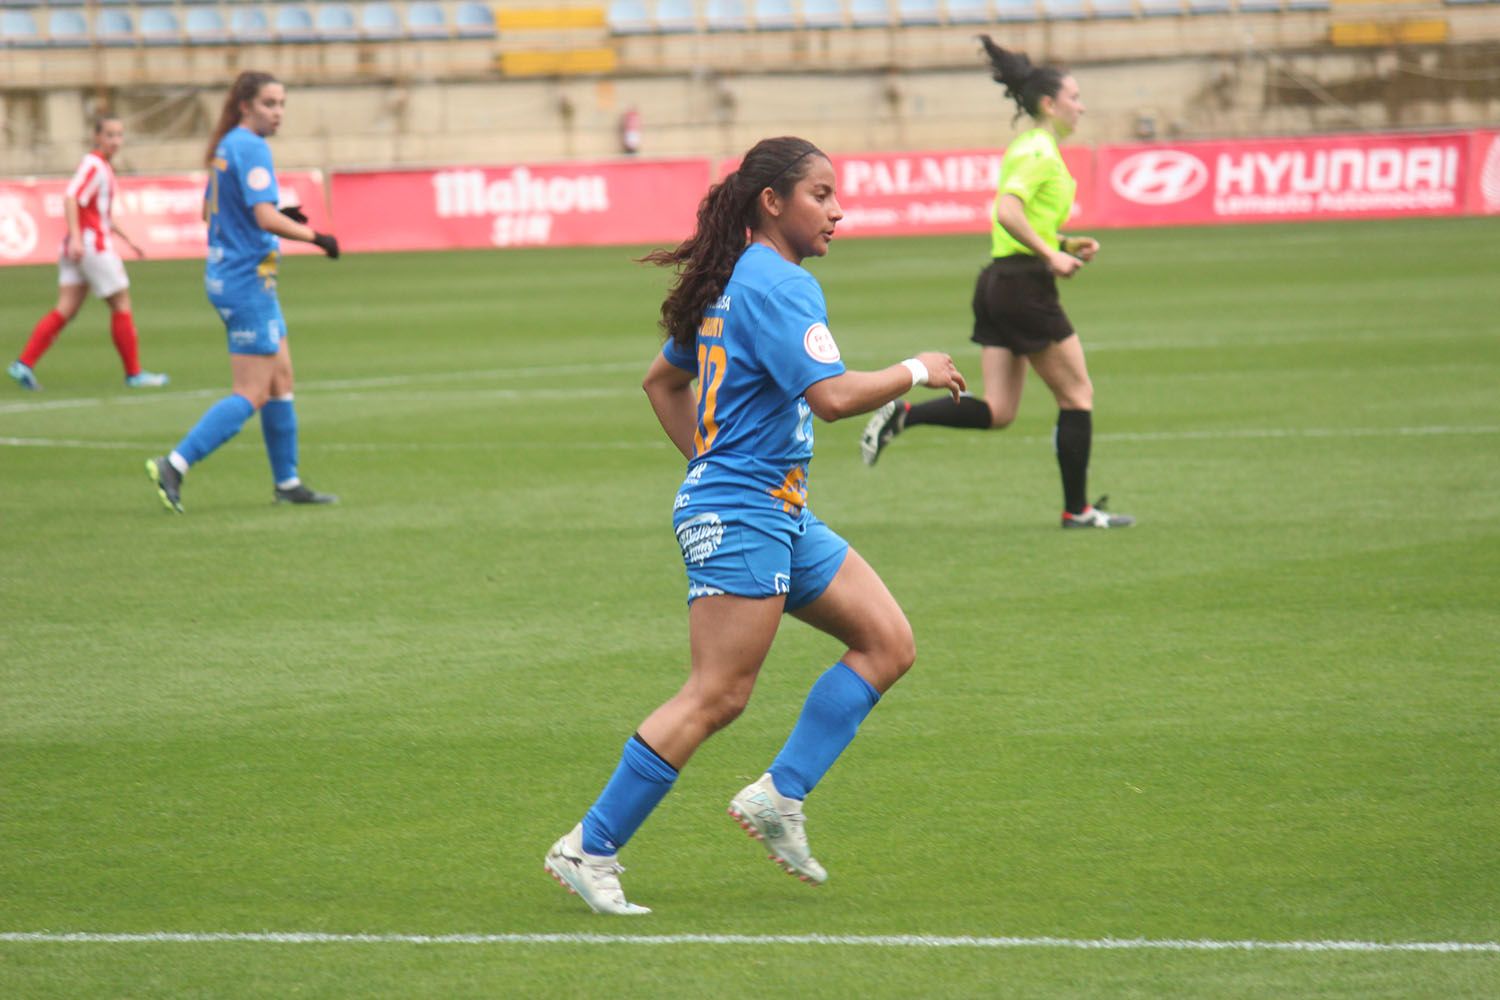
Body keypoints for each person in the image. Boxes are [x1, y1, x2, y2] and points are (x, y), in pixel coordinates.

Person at [543, 136, 967, 915]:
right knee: (718, 694)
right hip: (744, 510)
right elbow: (832, 398)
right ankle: (589, 846)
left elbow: (661, 380)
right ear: (773, 203)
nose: (839, 211)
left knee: (887, 643)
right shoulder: (779, 284)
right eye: (822, 195)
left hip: (771, 508)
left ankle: (780, 796)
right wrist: (917, 370)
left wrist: (706, 466)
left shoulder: (735, 279)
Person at [859, 37, 1134, 530]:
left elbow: (1020, 223)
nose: (1082, 105)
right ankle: (1079, 510)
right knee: (1078, 397)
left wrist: (1064, 244)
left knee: (1001, 409)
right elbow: (1007, 211)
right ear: (1049, 104)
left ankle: (904, 415)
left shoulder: (1030, 147)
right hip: (1024, 287)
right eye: (1075, 97)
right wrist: (1051, 254)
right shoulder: (1039, 151)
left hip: (1000, 281)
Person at [146, 71, 340, 513]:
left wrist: (262, 217)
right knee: (251, 391)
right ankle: (175, 463)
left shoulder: (227, 145)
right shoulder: (251, 147)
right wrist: (316, 237)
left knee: (281, 378)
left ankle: (287, 482)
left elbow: (208, 212)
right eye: (270, 103)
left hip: (232, 276)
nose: (278, 113)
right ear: (245, 105)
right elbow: (266, 218)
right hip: (246, 282)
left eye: (282, 104)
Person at [8, 117, 169, 392]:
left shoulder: (102, 166)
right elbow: (72, 197)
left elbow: (101, 214)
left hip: (79, 245)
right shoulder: (94, 164)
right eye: (110, 135)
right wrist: (78, 239)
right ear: (97, 136)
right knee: (121, 303)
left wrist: (129, 239)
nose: (116, 141)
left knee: (66, 309)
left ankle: (24, 363)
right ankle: (134, 373)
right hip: (91, 247)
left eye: (120, 135)